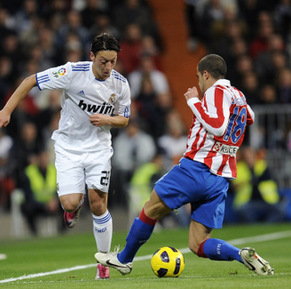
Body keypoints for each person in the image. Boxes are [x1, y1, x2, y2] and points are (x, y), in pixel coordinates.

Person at [95, 54, 274, 276]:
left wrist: (193, 101)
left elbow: (217, 127)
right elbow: (250, 117)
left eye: (199, 76)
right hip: (221, 177)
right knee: (197, 243)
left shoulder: (215, 92)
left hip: (197, 167)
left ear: (206, 74)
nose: (198, 82)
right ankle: (241, 255)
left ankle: (124, 260)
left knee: (151, 207)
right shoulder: (238, 95)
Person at [0, 33, 131, 280]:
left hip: (98, 148)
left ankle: (103, 262)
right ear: (92, 57)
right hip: (68, 147)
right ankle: (72, 208)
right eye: (103, 61)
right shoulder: (72, 72)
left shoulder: (120, 84)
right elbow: (30, 80)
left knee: (98, 204)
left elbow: (124, 118)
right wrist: (6, 110)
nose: (108, 67)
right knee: (69, 202)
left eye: (112, 61)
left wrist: (107, 119)